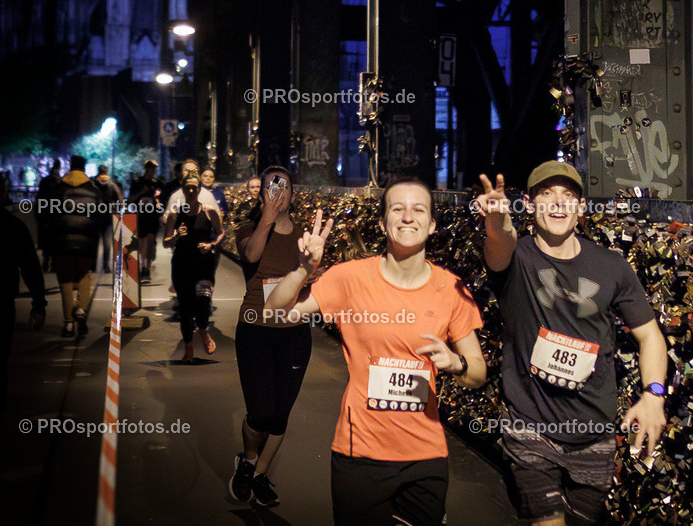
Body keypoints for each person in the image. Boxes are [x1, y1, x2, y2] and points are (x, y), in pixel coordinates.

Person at [263, 176, 487, 524]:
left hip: (425, 455)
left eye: (418, 210)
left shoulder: (451, 289)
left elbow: (477, 373)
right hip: (360, 453)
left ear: (431, 225)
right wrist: (303, 269)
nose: (408, 217)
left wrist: (456, 363)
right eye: (397, 209)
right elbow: (274, 313)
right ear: (383, 222)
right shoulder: (350, 278)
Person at [475, 161, 667, 526]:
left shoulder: (612, 266)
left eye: (568, 195)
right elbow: (500, 241)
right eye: (547, 194)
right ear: (530, 205)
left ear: (580, 208)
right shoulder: (518, 258)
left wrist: (654, 394)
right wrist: (497, 221)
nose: (558, 203)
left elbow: (650, 336)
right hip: (530, 428)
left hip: (593, 434)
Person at [226, 166, 312, 507]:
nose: (279, 192)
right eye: (272, 187)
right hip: (256, 329)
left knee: (280, 414)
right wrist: (268, 216)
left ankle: (259, 472)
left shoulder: (306, 234)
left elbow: (313, 277)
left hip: (294, 334)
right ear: (261, 193)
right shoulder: (249, 228)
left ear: (294, 192)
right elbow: (251, 255)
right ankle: (247, 460)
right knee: (260, 413)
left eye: (285, 187)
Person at [0, 170, 47, 449]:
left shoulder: (11, 226)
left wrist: (39, 303)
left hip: (0, 303)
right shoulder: (11, 225)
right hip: (0, 301)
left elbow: (29, 265)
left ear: (2, 194)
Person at [162, 174, 223, 361]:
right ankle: (188, 346)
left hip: (203, 263)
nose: (190, 191)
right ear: (182, 188)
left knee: (204, 302)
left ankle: (203, 330)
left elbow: (221, 233)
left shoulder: (210, 211)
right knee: (186, 308)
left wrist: (211, 245)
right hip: (182, 264)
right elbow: (165, 243)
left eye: (194, 188)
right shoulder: (175, 213)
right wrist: (176, 238)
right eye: (187, 187)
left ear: (199, 189)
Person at [51, 155, 105, 337]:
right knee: (83, 276)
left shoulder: (58, 189)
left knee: (65, 280)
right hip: (86, 241)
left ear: (70, 166)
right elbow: (101, 215)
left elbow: (47, 215)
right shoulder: (93, 190)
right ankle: (81, 310)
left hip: (62, 240)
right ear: (84, 169)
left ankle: (68, 324)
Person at [128, 160, 164, 281]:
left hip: (153, 216)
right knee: (142, 242)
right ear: (145, 169)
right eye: (150, 168)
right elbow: (130, 200)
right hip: (142, 215)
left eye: (153, 168)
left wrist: (160, 212)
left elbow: (161, 201)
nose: (152, 171)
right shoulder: (138, 182)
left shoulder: (157, 184)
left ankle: (147, 268)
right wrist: (141, 192)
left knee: (150, 241)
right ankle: (142, 267)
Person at [93, 165, 124, 273]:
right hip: (108, 215)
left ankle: (93, 265)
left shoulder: (93, 184)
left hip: (95, 215)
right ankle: (106, 264)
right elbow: (120, 201)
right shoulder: (112, 185)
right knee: (107, 241)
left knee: (95, 240)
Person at [34, 160, 62, 272]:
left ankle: (46, 262)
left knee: (46, 240)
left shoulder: (45, 181)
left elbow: (39, 197)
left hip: (46, 214)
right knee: (55, 240)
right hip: (55, 215)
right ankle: (53, 263)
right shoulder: (60, 182)